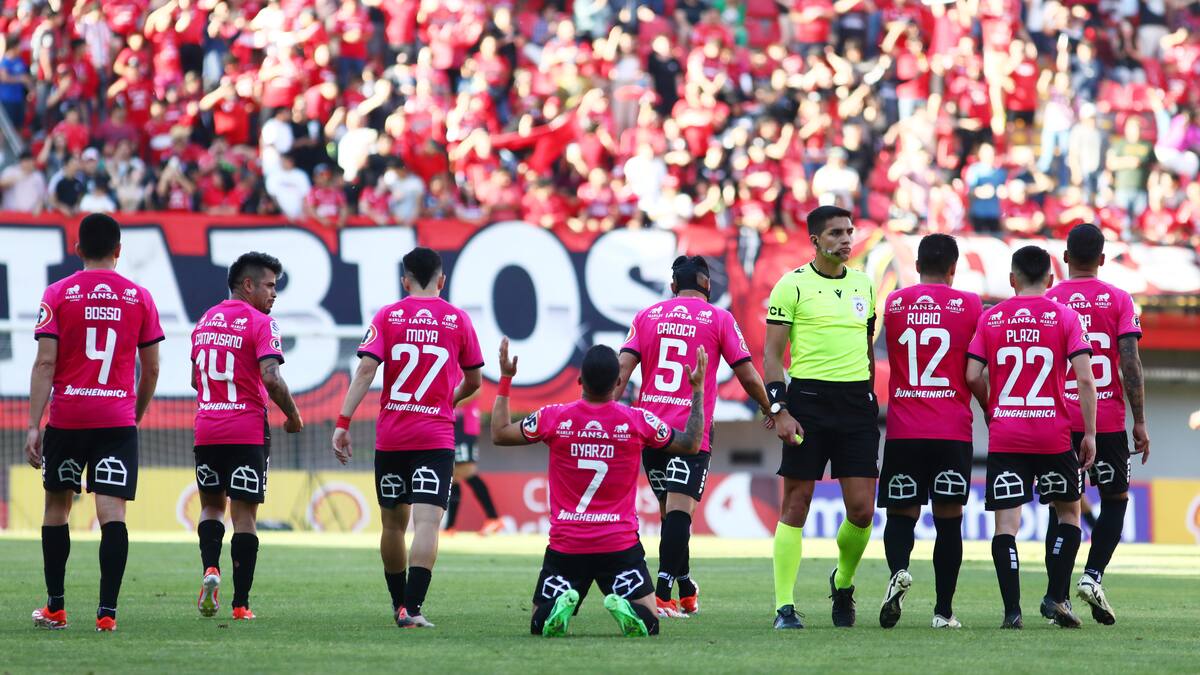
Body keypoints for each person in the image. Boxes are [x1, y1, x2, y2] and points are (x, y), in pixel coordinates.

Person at [491, 340, 708, 638]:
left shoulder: (554, 417)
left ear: (580, 380)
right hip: (619, 547)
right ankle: (626, 606)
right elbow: (691, 443)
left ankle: (560, 606)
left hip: (566, 546)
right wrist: (697, 389)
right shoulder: (637, 420)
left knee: (539, 624)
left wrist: (505, 378)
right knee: (650, 622)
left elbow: (500, 433)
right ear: (618, 382)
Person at [331, 247, 483, 629]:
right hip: (435, 438)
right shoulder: (457, 319)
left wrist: (343, 422)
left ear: (405, 280)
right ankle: (414, 609)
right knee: (427, 523)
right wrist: (447, 399)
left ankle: (399, 605)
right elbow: (475, 381)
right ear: (441, 280)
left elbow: (366, 371)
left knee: (393, 526)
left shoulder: (388, 316)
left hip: (393, 437)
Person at [26, 213, 164, 632]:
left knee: (56, 509)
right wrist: (133, 417)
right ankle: (107, 614)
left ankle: (56, 607)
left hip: (68, 419)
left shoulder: (58, 293)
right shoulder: (140, 296)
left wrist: (34, 425)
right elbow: (152, 369)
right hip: (116, 421)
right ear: (119, 251)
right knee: (113, 514)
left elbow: (45, 362)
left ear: (78, 249)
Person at [615, 255, 773, 617]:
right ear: (708, 286)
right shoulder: (719, 318)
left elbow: (621, 371)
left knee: (671, 514)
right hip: (691, 428)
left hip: (649, 428)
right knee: (680, 514)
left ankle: (685, 588)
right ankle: (661, 594)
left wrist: (600, 413)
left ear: (673, 286)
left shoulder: (646, 316)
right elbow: (747, 375)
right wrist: (770, 408)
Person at [965, 245, 1097, 630]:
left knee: (1006, 526)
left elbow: (973, 374)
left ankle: (1012, 612)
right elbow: (1086, 379)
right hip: (1054, 435)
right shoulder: (1066, 316)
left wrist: (993, 410)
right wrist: (1088, 433)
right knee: (1069, 515)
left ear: (1011, 279)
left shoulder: (992, 318)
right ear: (1051, 280)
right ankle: (1056, 596)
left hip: (1007, 434)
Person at [764, 205, 875, 629]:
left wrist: (868, 397)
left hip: (855, 405)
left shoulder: (865, 284)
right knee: (797, 503)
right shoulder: (790, 286)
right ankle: (784, 607)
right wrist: (780, 409)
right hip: (807, 401)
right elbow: (772, 356)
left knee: (862, 511)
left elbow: (865, 349)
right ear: (815, 240)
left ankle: (842, 582)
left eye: (849, 231)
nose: (846, 240)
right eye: (835, 234)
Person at [877, 234, 983, 630]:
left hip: (904, 428)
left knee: (900, 515)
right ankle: (943, 611)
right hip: (951, 430)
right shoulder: (971, 304)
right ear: (953, 269)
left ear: (916, 266)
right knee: (948, 520)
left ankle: (899, 572)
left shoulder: (895, 302)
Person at [191, 252, 304, 621]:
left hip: (207, 428)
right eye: (270, 285)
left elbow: (196, 380)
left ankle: (211, 569)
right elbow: (270, 377)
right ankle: (240, 604)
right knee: (244, 517)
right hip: (246, 430)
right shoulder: (261, 323)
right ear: (249, 284)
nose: (274, 294)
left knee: (210, 507)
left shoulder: (204, 321)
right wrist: (293, 414)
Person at [1045, 223, 1148, 625]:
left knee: (1063, 509)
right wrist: (1139, 421)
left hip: (1057, 422)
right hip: (1105, 420)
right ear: (1102, 260)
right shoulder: (1120, 299)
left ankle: (1057, 598)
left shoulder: (1050, 300)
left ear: (1065, 258)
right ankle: (1092, 576)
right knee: (1116, 500)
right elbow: (1130, 363)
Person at [444, 398, 504, 535]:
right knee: (454, 475)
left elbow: (476, 388)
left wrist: (446, 400)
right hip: (452, 424)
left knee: (467, 471)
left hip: (464, 425)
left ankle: (493, 518)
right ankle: (449, 527)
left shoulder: (463, 375)